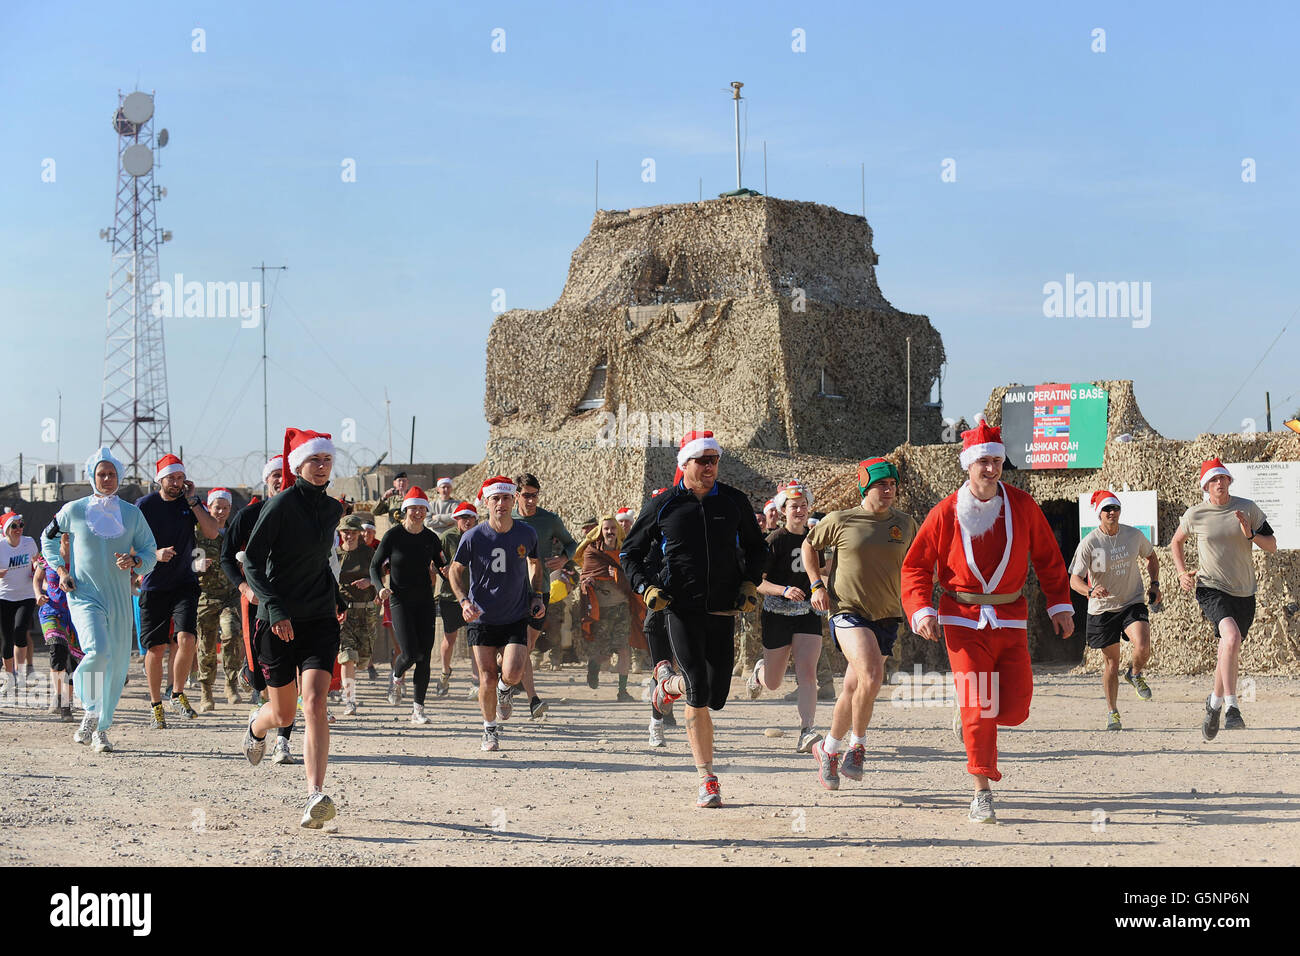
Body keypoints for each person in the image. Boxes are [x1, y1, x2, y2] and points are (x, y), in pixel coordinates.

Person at [901, 420, 1074, 824]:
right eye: (983, 461)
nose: (991, 469)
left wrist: (1060, 603)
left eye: (997, 461)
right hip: (961, 619)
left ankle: (972, 724)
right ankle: (981, 790)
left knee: (1014, 707)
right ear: (968, 464)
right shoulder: (945, 512)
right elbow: (915, 566)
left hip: (1010, 618)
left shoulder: (1023, 506)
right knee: (978, 701)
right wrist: (921, 608)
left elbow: (1048, 558)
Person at [622, 430, 766, 808]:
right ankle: (708, 779)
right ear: (684, 464)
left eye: (714, 460)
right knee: (699, 690)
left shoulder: (733, 501)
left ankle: (666, 688)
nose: (709, 467)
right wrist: (646, 589)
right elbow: (630, 553)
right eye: (701, 461)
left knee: (716, 695)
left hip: (723, 609)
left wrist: (750, 582)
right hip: (680, 608)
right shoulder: (664, 506)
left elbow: (757, 547)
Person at [240, 428, 348, 828]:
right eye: (314, 461)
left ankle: (315, 795)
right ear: (297, 465)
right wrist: (274, 607)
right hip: (278, 621)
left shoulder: (332, 509)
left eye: (326, 461)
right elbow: (252, 560)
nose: (321, 467)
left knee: (315, 701)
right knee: (283, 712)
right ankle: (256, 726)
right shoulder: (281, 505)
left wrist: (335, 595)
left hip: (319, 618)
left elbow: (320, 561)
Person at [801, 462, 918, 788]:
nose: (889, 490)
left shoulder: (906, 524)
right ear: (866, 488)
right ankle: (857, 746)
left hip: (888, 616)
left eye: (893, 485)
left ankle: (829, 748)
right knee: (871, 674)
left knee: (854, 688)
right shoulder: (841, 519)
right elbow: (809, 545)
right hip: (847, 611)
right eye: (882, 485)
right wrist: (816, 585)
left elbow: (919, 561)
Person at [42, 447, 158, 752]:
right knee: (98, 651)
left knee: (117, 665)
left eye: (111, 474)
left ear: (118, 476)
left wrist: (134, 563)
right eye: (101, 474)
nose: (106, 479)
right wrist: (60, 569)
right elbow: (48, 538)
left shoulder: (133, 514)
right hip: (84, 595)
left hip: (119, 598)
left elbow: (149, 551)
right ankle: (90, 710)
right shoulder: (74, 510)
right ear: (92, 477)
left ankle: (100, 729)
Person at [1171, 458, 1277, 739]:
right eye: (1214, 480)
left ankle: (1213, 703)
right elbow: (1176, 541)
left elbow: (1272, 546)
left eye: (1224, 478)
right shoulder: (1196, 514)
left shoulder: (1247, 508)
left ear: (1230, 481)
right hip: (1211, 588)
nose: (1220, 483)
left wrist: (1250, 534)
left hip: (1244, 591)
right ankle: (1232, 707)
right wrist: (1182, 572)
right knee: (1230, 638)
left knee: (1227, 650)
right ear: (1206, 486)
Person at [448, 476, 546, 752]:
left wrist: (536, 596)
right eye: (495, 499)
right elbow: (455, 571)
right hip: (482, 617)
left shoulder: (526, 533)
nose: (501, 504)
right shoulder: (473, 536)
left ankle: (506, 690)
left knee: (513, 673)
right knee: (487, 677)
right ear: (487, 503)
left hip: (515, 614)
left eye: (506, 498)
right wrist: (464, 601)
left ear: (514, 501)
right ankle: (490, 730)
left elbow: (535, 564)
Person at [221, 454, 297, 763]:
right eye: (274, 475)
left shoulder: (300, 516)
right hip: (256, 603)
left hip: (295, 605)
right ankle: (258, 709)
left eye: (285, 475)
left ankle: (283, 741)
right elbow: (228, 558)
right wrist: (244, 587)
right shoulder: (249, 516)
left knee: (291, 673)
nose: (280, 480)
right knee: (260, 677)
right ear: (266, 480)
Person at [136, 454, 222, 726]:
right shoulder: (144, 506)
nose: (175, 483)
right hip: (154, 584)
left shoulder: (189, 504)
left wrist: (195, 501)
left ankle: (177, 693)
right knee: (157, 648)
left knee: (186, 639)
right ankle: (155, 704)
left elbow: (211, 532)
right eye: (171, 478)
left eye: (180, 478)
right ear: (159, 479)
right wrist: (154, 553)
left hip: (184, 583)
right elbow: (129, 544)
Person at [1068, 490, 1160, 731]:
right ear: (1099, 513)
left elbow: (1151, 557)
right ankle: (1113, 712)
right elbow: (1074, 580)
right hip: (1103, 609)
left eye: (1115, 508)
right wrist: (1089, 591)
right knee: (1111, 663)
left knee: (1142, 644)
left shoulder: (1133, 535)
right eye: (1107, 509)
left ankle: (1136, 673)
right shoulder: (1090, 543)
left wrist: (1155, 584)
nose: (1112, 512)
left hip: (1131, 601)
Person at [746, 482, 825, 754]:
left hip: (807, 614)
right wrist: (784, 590)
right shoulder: (775, 540)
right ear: (782, 511)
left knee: (807, 671)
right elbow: (757, 581)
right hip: (776, 614)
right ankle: (759, 673)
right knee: (773, 682)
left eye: (803, 506)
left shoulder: (815, 539)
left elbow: (821, 572)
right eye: (794, 507)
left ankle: (807, 730)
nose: (800, 511)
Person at [371, 486, 446, 723]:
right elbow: (374, 566)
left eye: (422, 509)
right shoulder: (393, 536)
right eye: (413, 508)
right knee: (411, 653)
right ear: (405, 510)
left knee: (424, 656)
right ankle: (396, 676)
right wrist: (380, 588)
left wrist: (458, 586)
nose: (418, 513)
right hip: (399, 600)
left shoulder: (431, 538)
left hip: (425, 601)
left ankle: (418, 710)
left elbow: (444, 567)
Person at [512, 473, 576, 719]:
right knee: (518, 645)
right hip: (511, 590)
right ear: (517, 495)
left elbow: (572, 543)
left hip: (540, 590)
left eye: (534, 495)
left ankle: (511, 683)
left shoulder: (549, 520)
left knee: (526, 646)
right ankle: (532, 699)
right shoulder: (507, 518)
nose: (531, 500)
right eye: (526, 495)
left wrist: (563, 559)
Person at [576, 515, 636, 701]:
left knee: (624, 649)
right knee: (604, 653)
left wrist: (618, 574)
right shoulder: (592, 552)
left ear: (618, 530)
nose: (610, 532)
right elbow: (585, 575)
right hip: (601, 610)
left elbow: (634, 575)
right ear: (601, 532)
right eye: (606, 529)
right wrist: (588, 582)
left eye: (613, 528)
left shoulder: (626, 551)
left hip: (622, 608)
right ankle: (594, 666)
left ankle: (622, 691)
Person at [194, 488, 244, 711]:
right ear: (208, 506)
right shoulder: (197, 532)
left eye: (225, 508)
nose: (221, 512)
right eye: (217, 507)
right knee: (205, 644)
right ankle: (206, 692)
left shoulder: (234, 533)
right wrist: (194, 566)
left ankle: (231, 684)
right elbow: (187, 558)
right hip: (205, 596)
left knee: (233, 634)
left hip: (230, 596)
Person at [636, 488, 676, 747]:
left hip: (686, 614)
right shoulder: (648, 542)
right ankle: (656, 723)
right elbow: (639, 568)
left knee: (686, 669)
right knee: (661, 670)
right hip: (659, 615)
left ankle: (694, 723)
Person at [33, 535, 81, 719]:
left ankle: (64, 698)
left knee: (73, 660)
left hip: (76, 614)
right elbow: (37, 579)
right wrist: (38, 594)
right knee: (57, 651)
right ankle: (63, 703)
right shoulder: (48, 555)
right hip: (51, 611)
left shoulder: (82, 556)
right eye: (64, 533)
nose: (67, 536)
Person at [335, 514, 378, 715]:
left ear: (359, 534)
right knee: (347, 656)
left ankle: (350, 693)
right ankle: (349, 700)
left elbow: (380, 577)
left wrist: (369, 581)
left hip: (366, 610)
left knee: (362, 659)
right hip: (344, 612)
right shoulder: (334, 556)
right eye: (345, 532)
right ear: (340, 533)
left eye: (353, 532)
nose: (349, 536)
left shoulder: (369, 554)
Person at [435, 501, 477, 698]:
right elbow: (435, 563)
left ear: (476, 519)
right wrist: (441, 569)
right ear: (456, 520)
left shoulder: (482, 536)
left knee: (475, 642)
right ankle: (445, 672)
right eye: (463, 518)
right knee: (449, 639)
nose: (466, 521)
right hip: (450, 596)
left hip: (475, 596)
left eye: (470, 517)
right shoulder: (448, 537)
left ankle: (476, 682)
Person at [1, 509, 40, 698]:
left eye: (20, 525)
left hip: (26, 595)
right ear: (6, 530)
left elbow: (37, 561)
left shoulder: (29, 542)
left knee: (20, 631)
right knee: (6, 639)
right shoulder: (1, 546)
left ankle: (20, 672)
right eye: (14, 526)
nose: (18, 529)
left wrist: (36, 569)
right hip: (4, 597)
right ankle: (10, 676)